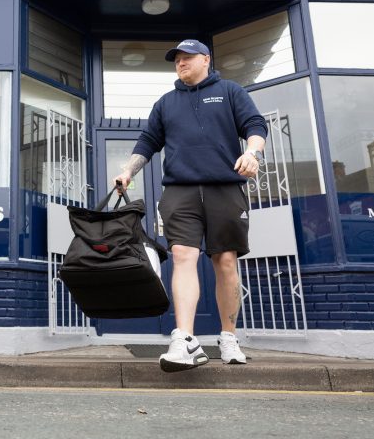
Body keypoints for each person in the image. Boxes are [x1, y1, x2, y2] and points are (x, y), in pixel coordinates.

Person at [114, 39, 267, 372]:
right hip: (180, 192)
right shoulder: (166, 103)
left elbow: (255, 126)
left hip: (225, 188)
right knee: (183, 255)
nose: (180, 63)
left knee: (225, 260)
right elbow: (148, 142)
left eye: (187, 58)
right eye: (176, 60)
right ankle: (183, 338)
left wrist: (252, 153)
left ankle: (228, 336)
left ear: (206, 60)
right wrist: (128, 171)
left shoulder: (229, 91)